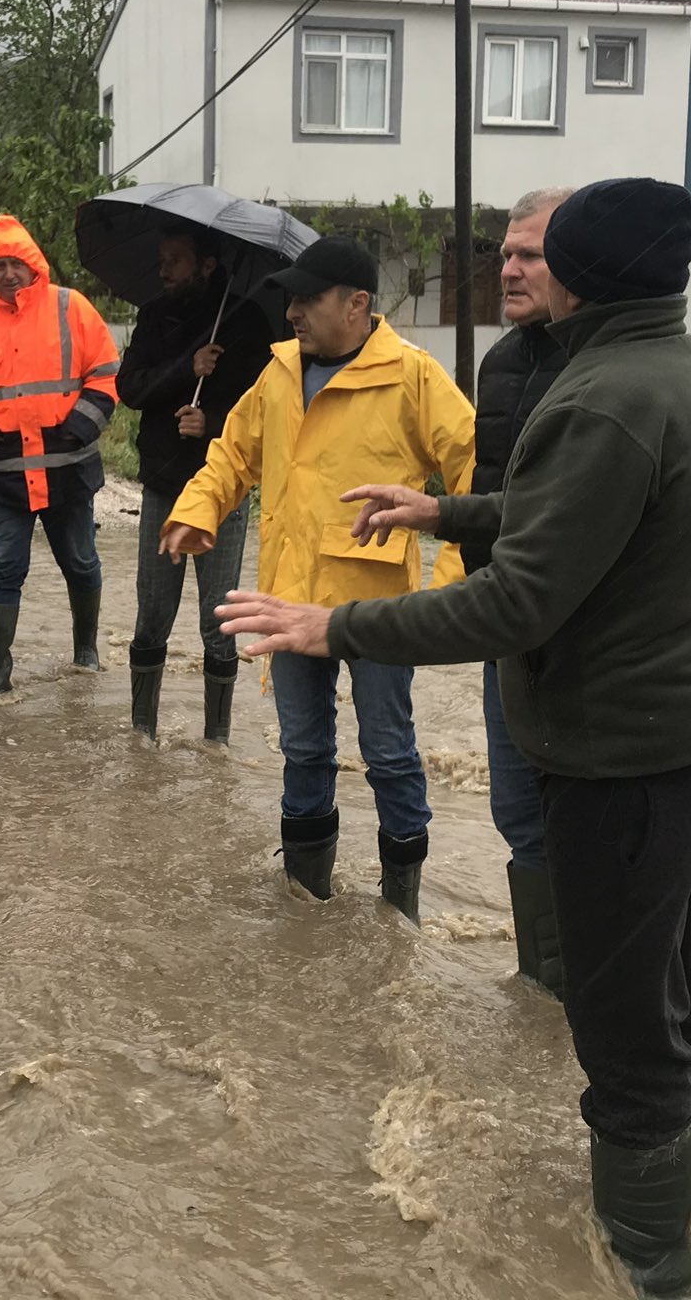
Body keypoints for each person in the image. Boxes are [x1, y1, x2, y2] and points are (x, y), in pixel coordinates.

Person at [215, 179, 691, 1298]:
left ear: (581, 275)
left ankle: (655, 1264)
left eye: (535, 255)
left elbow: (515, 606)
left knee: (619, 1025)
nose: (517, 270)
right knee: (672, 973)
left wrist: (336, 624)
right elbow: (578, 512)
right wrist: (446, 511)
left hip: (625, 752)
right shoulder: (675, 369)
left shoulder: (601, 394)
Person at [158, 235, 474, 924]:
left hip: (379, 605)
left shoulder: (412, 378)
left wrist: (451, 581)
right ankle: (308, 902)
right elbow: (231, 454)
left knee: (388, 751)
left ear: (357, 304)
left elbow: (472, 471)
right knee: (303, 749)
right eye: (290, 298)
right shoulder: (278, 374)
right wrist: (197, 509)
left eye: (308, 298)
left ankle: (401, 913)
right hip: (289, 596)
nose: (293, 311)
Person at [0, 214, 120, 695]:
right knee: (3, 569)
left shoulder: (72, 308)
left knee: (81, 562)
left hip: (69, 471)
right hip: (5, 477)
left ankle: (86, 651)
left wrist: (79, 428)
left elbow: (106, 375)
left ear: (33, 263)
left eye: (16, 263)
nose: (8, 273)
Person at [470, 187, 573, 996]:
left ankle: (587, 988)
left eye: (529, 254)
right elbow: (492, 487)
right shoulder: (501, 362)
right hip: (505, 636)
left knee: (583, 828)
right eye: (505, 252)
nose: (509, 268)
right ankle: (543, 993)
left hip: (583, 648)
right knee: (518, 817)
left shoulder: (603, 366)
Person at [117, 225, 274, 743]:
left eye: (176, 260)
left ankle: (218, 740)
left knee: (218, 619)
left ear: (206, 265)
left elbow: (264, 410)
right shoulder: (155, 315)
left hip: (225, 492)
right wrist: (188, 368)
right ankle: (142, 733)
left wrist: (212, 423)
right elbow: (131, 389)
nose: (164, 270)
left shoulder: (246, 323)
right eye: (162, 258)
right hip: (164, 484)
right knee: (152, 613)